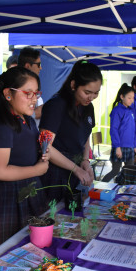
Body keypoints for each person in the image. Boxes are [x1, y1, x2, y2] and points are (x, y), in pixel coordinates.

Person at [0, 67, 49, 254]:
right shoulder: (1, 125)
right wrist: (37, 170)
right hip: (8, 197)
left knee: (32, 252)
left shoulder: (26, 119)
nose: (34, 99)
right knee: (7, 255)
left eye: (36, 93)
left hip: (29, 190)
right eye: (28, 93)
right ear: (8, 94)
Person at [39, 60, 101, 201]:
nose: (91, 97)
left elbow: (86, 137)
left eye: (96, 93)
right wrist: (76, 169)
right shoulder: (56, 105)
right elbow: (45, 146)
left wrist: (85, 160)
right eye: (87, 92)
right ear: (73, 85)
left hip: (76, 171)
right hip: (55, 175)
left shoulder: (88, 107)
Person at [101, 83, 136, 182]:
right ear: (122, 97)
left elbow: (133, 130)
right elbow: (114, 130)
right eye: (129, 98)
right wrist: (117, 147)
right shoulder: (117, 111)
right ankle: (99, 187)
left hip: (129, 148)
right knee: (115, 171)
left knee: (130, 172)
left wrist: (134, 146)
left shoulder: (130, 111)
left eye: (133, 98)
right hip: (119, 148)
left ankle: (124, 191)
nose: (132, 100)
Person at [18, 47, 43, 126]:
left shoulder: (39, 99)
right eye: (38, 65)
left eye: (36, 92)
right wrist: (35, 113)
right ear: (28, 66)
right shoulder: (16, 86)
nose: (40, 68)